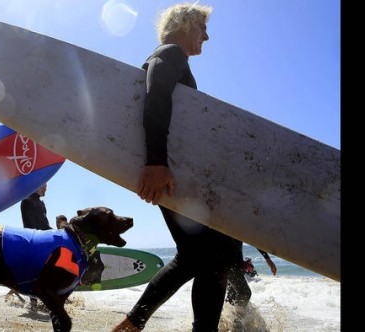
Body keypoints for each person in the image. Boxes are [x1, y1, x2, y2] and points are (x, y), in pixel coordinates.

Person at [112, 3, 240, 331]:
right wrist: (156, 162)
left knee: (203, 255)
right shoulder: (169, 53)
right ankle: (140, 321)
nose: (206, 36)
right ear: (184, 25)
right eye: (202, 28)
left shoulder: (173, 57)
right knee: (213, 256)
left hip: (177, 172)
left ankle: (134, 321)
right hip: (169, 171)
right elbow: (156, 94)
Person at [225, 241, 277, 307]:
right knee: (245, 293)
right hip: (229, 263)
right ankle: (239, 317)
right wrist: (267, 259)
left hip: (232, 262)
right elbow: (254, 238)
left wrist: (241, 263)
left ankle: (228, 315)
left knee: (232, 294)